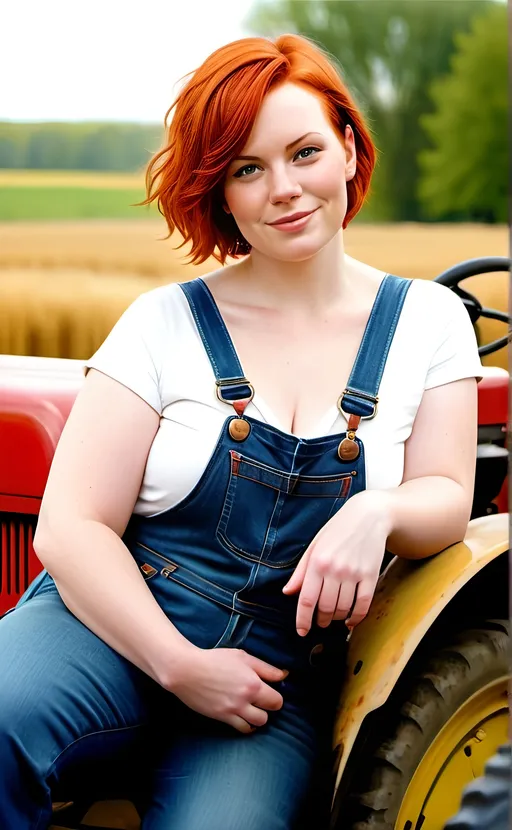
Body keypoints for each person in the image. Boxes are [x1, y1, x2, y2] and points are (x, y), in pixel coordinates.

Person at [0, 33, 483, 830]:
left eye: (304, 152)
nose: (284, 189)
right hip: (108, 627)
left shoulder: (427, 322)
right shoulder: (162, 324)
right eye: (248, 169)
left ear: (351, 150)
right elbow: (70, 527)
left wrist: (376, 512)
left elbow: (448, 494)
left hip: (272, 679)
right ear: (221, 193)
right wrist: (180, 665)